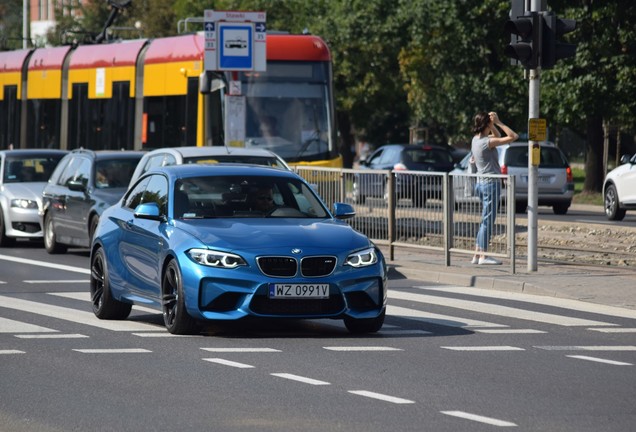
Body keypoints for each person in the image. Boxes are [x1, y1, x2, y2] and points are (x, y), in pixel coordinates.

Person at [471, 111, 518, 265]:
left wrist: (492, 126)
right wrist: (499, 122)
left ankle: (477, 253)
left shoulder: (476, 140)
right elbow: (513, 137)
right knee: (488, 220)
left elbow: (496, 136)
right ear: (486, 125)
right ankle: (484, 256)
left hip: (481, 183)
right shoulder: (487, 142)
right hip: (491, 183)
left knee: (485, 219)